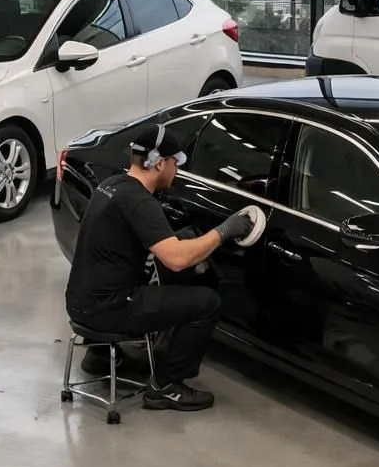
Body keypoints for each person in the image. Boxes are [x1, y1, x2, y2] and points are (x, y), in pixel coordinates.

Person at [64, 122, 256, 412]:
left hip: (80, 303)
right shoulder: (140, 202)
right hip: (111, 309)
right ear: (158, 162)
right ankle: (166, 386)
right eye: (175, 163)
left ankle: (100, 356)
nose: (176, 170)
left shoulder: (111, 186)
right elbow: (177, 260)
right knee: (206, 302)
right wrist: (223, 231)